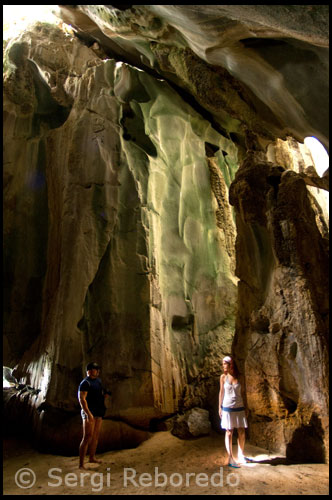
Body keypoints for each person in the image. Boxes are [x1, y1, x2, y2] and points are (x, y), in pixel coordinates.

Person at [78, 362, 110, 469]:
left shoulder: (98, 381)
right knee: (87, 437)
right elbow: (82, 399)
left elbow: (99, 393)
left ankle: (92, 457)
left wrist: (104, 395)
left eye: (96, 369)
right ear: (89, 371)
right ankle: (81, 464)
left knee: (95, 435)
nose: (95, 371)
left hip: (98, 411)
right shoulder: (85, 383)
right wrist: (88, 414)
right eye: (93, 369)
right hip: (89, 412)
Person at [219, 355, 249, 468]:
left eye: (224, 364)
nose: (223, 366)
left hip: (239, 406)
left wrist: (246, 406)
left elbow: (244, 392)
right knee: (229, 432)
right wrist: (219, 407)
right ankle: (230, 457)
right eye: (222, 364)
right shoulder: (223, 377)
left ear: (230, 364)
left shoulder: (240, 377)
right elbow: (221, 393)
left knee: (241, 431)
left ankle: (241, 454)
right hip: (227, 407)